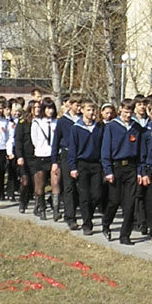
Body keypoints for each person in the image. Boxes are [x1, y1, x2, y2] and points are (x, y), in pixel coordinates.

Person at [101, 98, 144, 245]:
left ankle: (125, 235)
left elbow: (139, 152)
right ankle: (106, 223)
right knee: (114, 200)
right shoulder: (112, 127)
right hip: (116, 166)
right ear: (120, 110)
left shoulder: (136, 127)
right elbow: (105, 150)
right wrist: (108, 170)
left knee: (130, 202)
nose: (128, 115)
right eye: (125, 112)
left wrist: (140, 171)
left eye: (130, 112)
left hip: (131, 167)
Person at [68, 100, 104, 235]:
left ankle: (89, 213)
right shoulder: (76, 128)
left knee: (97, 194)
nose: (91, 113)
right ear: (82, 110)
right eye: (88, 110)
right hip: (82, 164)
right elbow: (72, 149)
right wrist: (73, 167)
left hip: (96, 164)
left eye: (93, 110)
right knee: (84, 195)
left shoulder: (99, 127)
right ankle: (87, 223)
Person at [52, 94, 81, 229]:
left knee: (80, 187)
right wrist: (54, 161)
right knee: (68, 186)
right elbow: (56, 141)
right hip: (67, 154)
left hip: (82, 155)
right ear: (70, 105)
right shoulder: (63, 121)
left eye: (81, 105)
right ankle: (70, 216)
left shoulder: (84, 120)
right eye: (77, 105)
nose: (79, 108)